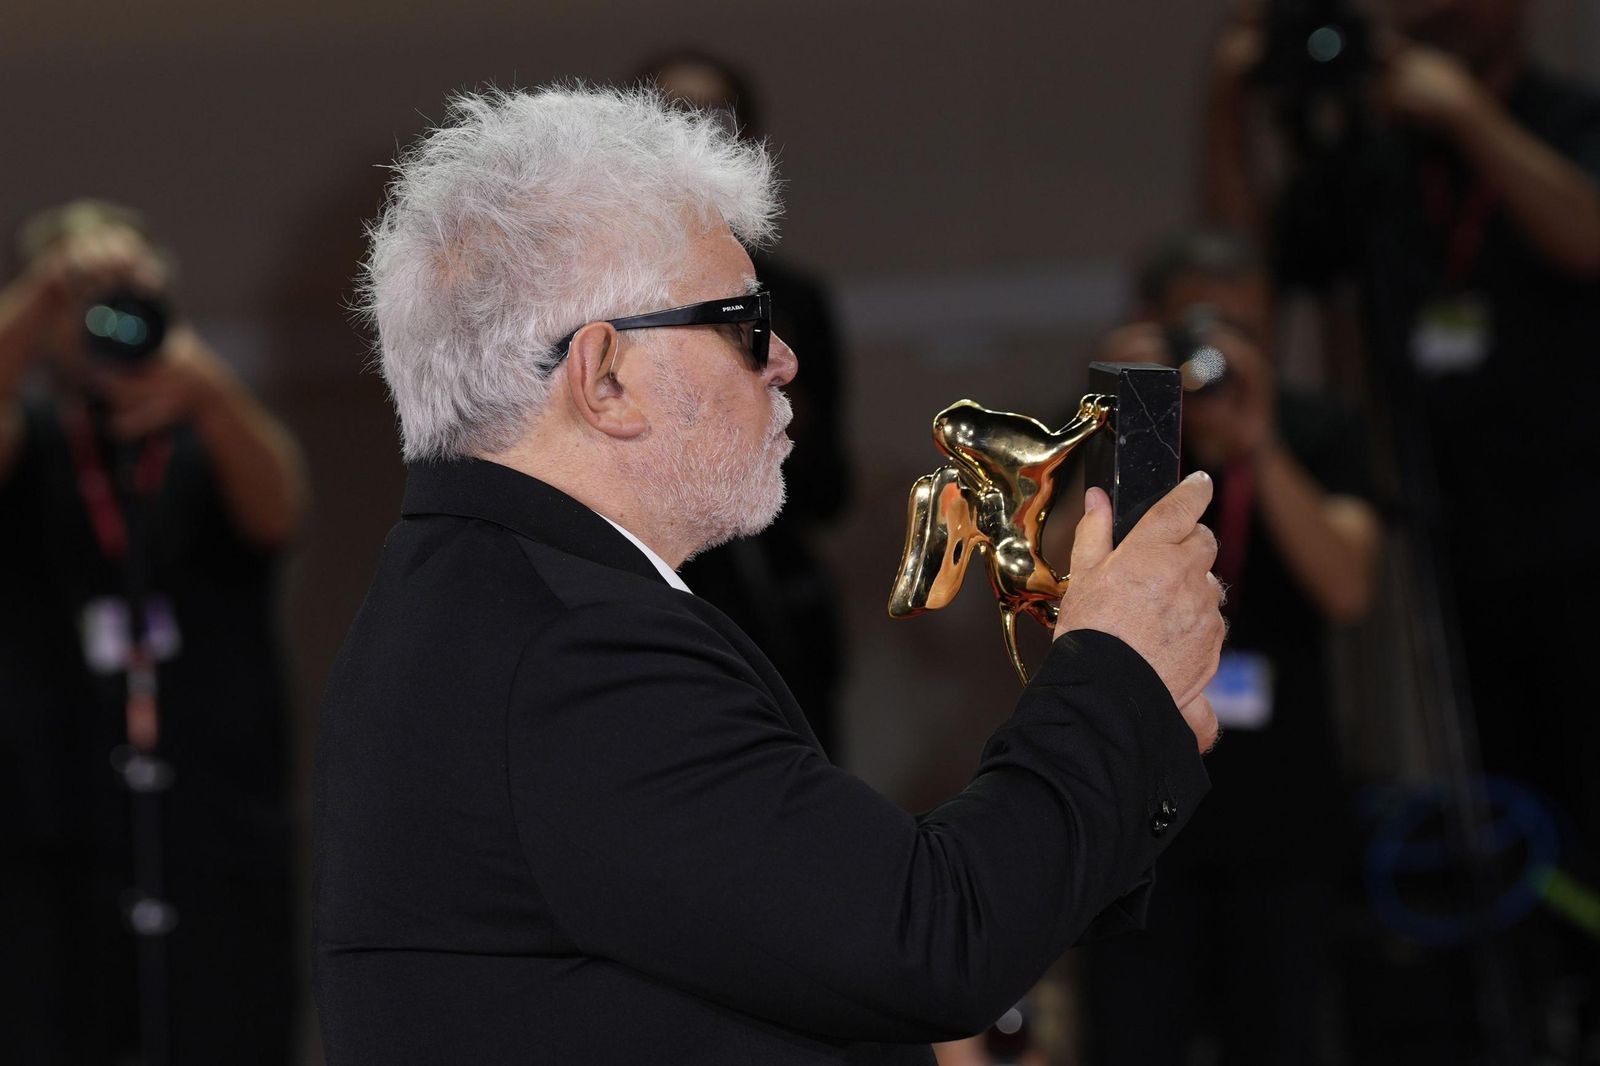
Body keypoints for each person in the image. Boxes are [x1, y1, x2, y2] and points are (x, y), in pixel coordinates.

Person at [312, 86, 1225, 1065]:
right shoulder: (577, 647)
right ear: (604, 375)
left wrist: (1123, 727)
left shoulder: (491, 596)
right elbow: (928, 941)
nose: (783, 360)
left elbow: (813, 948)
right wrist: (1114, 670)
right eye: (745, 321)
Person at [1205, 0, 1600, 1054]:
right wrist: (1225, 105)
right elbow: (1246, 269)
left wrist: (1470, 117)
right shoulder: (1377, 159)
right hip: (1453, 534)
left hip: (1579, 524)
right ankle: (1538, 1005)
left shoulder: (1562, 116)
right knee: (1500, 797)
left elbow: (1584, 233)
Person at [0, 200, 306, 1063]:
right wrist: (45, 287)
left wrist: (206, 385)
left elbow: (280, 509)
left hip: (213, 834)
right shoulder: (31, 445)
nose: (107, 314)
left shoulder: (207, 433)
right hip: (47, 836)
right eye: (83, 299)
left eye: (130, 292)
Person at [1083, 228, 1381, 1066]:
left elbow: (1349, 587)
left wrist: (1258, 446)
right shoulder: (1126, 439)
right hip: (1143, 821)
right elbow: (1057, 583)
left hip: (1283, 819)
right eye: (1203, 330)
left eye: (1248, 330)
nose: (1225, 352)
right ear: (1153, 323)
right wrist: (1121, 417)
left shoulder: (1318, 430)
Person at [643, 50, 854, 758]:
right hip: (661, 606)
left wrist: (774, 396)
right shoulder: (606, 296)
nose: (695, 135)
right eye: (673, 116)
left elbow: (829, 489)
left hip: (780, 610)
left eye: (714, 118)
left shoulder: (794, 299)